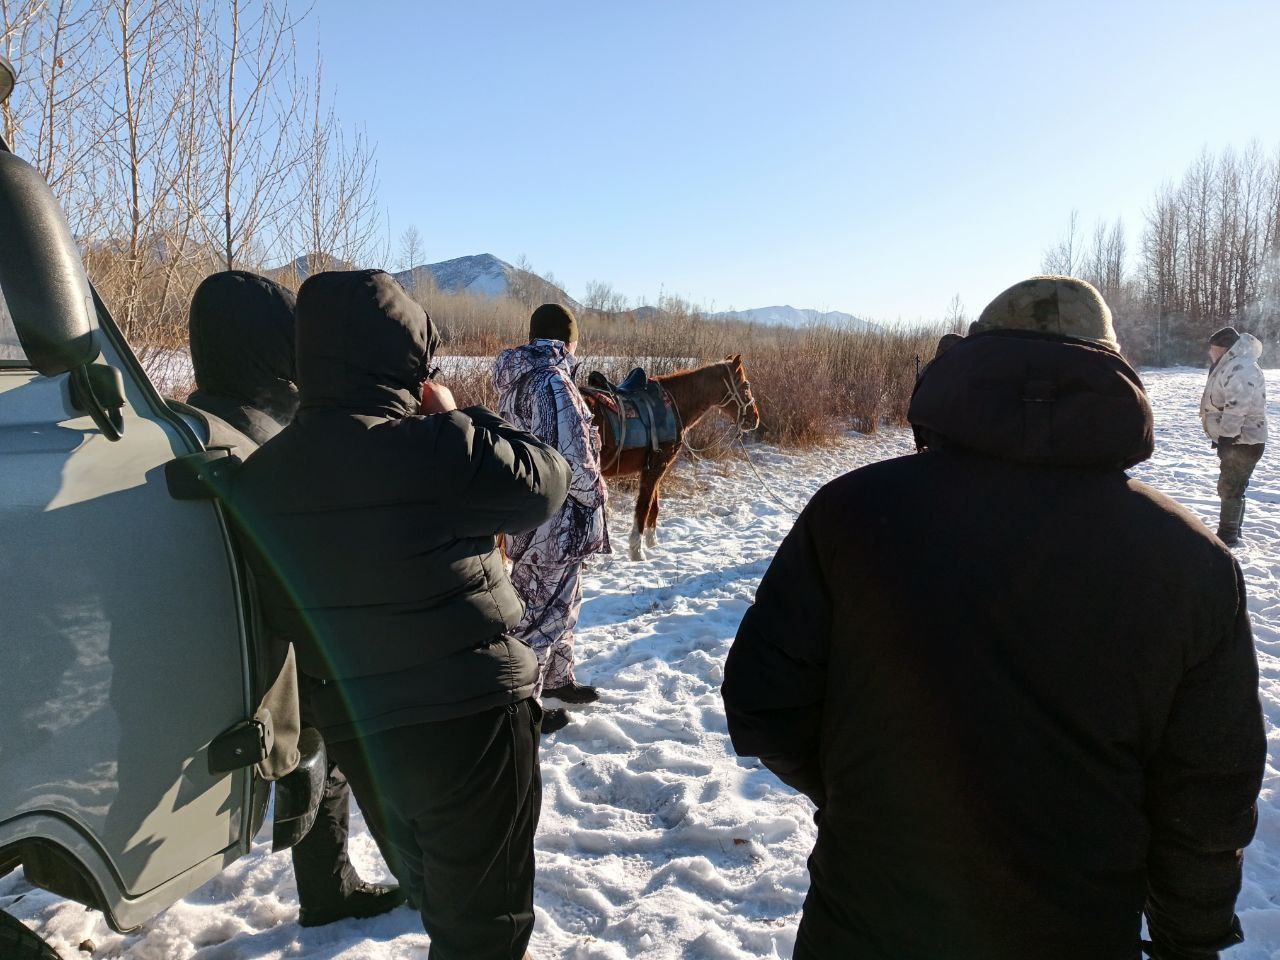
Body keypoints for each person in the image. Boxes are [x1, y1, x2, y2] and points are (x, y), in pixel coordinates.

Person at [723, 276, 1266, 960]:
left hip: (865, 921)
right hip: (1076, 931)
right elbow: (1209, 790)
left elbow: (761, 703)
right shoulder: (1192, 562)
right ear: (1114, 376)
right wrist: (1190, 938)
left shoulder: (850, 513)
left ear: (968, 365)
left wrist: (864, 799)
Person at [231, 269, 570, 960]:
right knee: (485, 930)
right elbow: (549, 482)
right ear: (408, 361)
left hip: (361, 729)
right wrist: (458, 415)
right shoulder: (438, 449)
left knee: (427, 879)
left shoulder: (257, 480)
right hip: (471, 722)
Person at [186, 270, 404, 928]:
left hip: (220, 660)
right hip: (272, 666)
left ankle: (329, 885)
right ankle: (392, 879)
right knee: (345, 730)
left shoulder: (191, 425)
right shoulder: (267, 446)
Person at [494, 302, 610, 736]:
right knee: (542, 617)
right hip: (557, 524)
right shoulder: (556, 383)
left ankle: (559, 680)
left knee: (564, 603)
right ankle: (525, 706)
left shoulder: (517, 381)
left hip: (529, 516)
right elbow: (576, 462)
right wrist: (597, 495)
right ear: (566, 341)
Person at [1201, 325, 1267, 546]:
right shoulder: (1231, 364)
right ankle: (1232, 531)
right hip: (1239, 439)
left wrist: (1227, 441)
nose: (1210, 353)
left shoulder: (1241, 367)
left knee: (1230, 486)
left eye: (1213, 348)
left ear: (1225, 349)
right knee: (1234, 485)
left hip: (1243, 441)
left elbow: (1236, 409)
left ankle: (1227, 536)